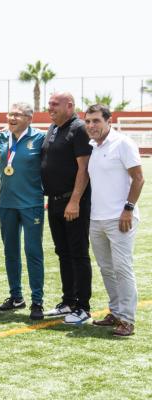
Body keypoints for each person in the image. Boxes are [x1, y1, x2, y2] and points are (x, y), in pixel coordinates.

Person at [84, 104, 144, 336]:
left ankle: (127, 320)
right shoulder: (94, 147)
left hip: (121, 219)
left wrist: (128, 209)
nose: (91, 126)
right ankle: (116, 312)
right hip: (96, 219)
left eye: (96, 121)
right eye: (88, 121)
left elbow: (138, 179)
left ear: (109, 121)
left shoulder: (123, 143)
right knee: (107, 269)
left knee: (122, 268)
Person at [0, 102, 46, 320]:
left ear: (30, 118)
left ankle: (37, 301)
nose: (12, 118)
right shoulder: (3, 137)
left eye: (18, 115)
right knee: (11, 251)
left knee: (33, 251)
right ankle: (16, 296)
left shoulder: (40, 138)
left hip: (32, 204)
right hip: (7, 203)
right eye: (10, 114)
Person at [41, 92, 93, 325]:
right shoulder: (53, 127)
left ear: (69, 106)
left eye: (55, 104)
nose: (49, 107)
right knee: (63, 253)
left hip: (74, 202)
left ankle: (83, 306)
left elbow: (84, 169)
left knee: (78, 254)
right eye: (49, 103)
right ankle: (68, 302)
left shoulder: (79, 128)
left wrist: (74, 201)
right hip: (54, 201)